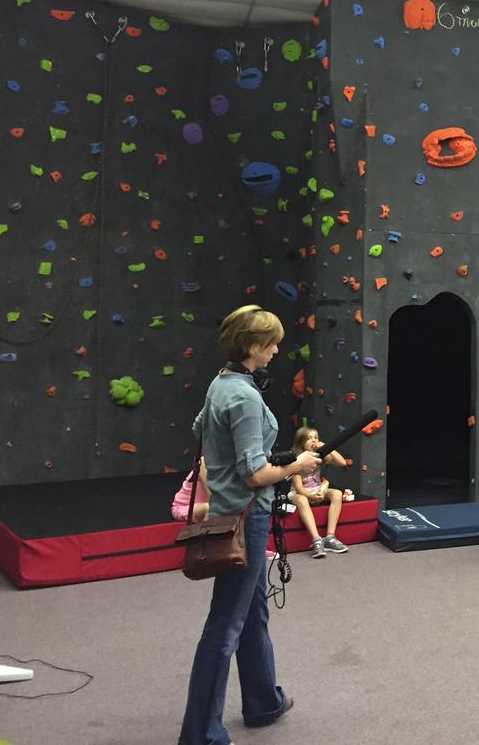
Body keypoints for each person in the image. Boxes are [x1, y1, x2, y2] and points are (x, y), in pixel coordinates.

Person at [179, 305, 321, 745]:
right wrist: (295, 465)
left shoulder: (221, 383)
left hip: (231, 511)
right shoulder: (243, 396)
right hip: (247, 516)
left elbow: (202, 429)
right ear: (255, 345)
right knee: (225, 626)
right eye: (272, 343)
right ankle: (200, 734)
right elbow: (255, 474)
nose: (276, 350)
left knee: (253, 613)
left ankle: (262, 702)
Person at [288, 427, 351, 558]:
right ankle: (317, 540)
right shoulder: (297, 460)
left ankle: (330, 537)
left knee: (337, 493)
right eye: (309, 438)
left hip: (316, 491)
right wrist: (310, 496)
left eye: (315, 437)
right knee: (302, 499)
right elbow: (298, 488)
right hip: (300, 493)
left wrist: (327, 448)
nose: (313, 440)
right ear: (301, 442)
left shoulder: (319, 456)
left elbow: (342, 462)